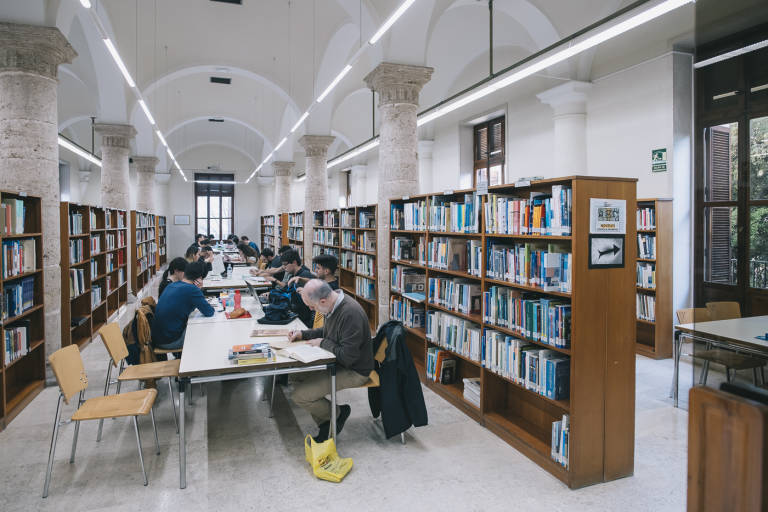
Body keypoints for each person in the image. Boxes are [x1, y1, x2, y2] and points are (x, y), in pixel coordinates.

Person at [288, 280, 374, 442]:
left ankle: (337, 414)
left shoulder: (350, 313)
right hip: (337, 362)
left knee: (300, 396)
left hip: (354, 370)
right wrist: (303, 334)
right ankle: (327, 421)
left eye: (312, 307)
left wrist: (321, 343)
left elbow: (348, 356)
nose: (311, 310)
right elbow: (328, 332)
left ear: (322, 301)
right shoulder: (333, 304)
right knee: (295, 376)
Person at [152, 261, 214, 350]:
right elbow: (209, 312)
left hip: (158, 338)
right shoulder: (192, 289)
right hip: (170, 341)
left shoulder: (172, 285)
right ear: (199, 278)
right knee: (202, 330)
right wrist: (198, 290)